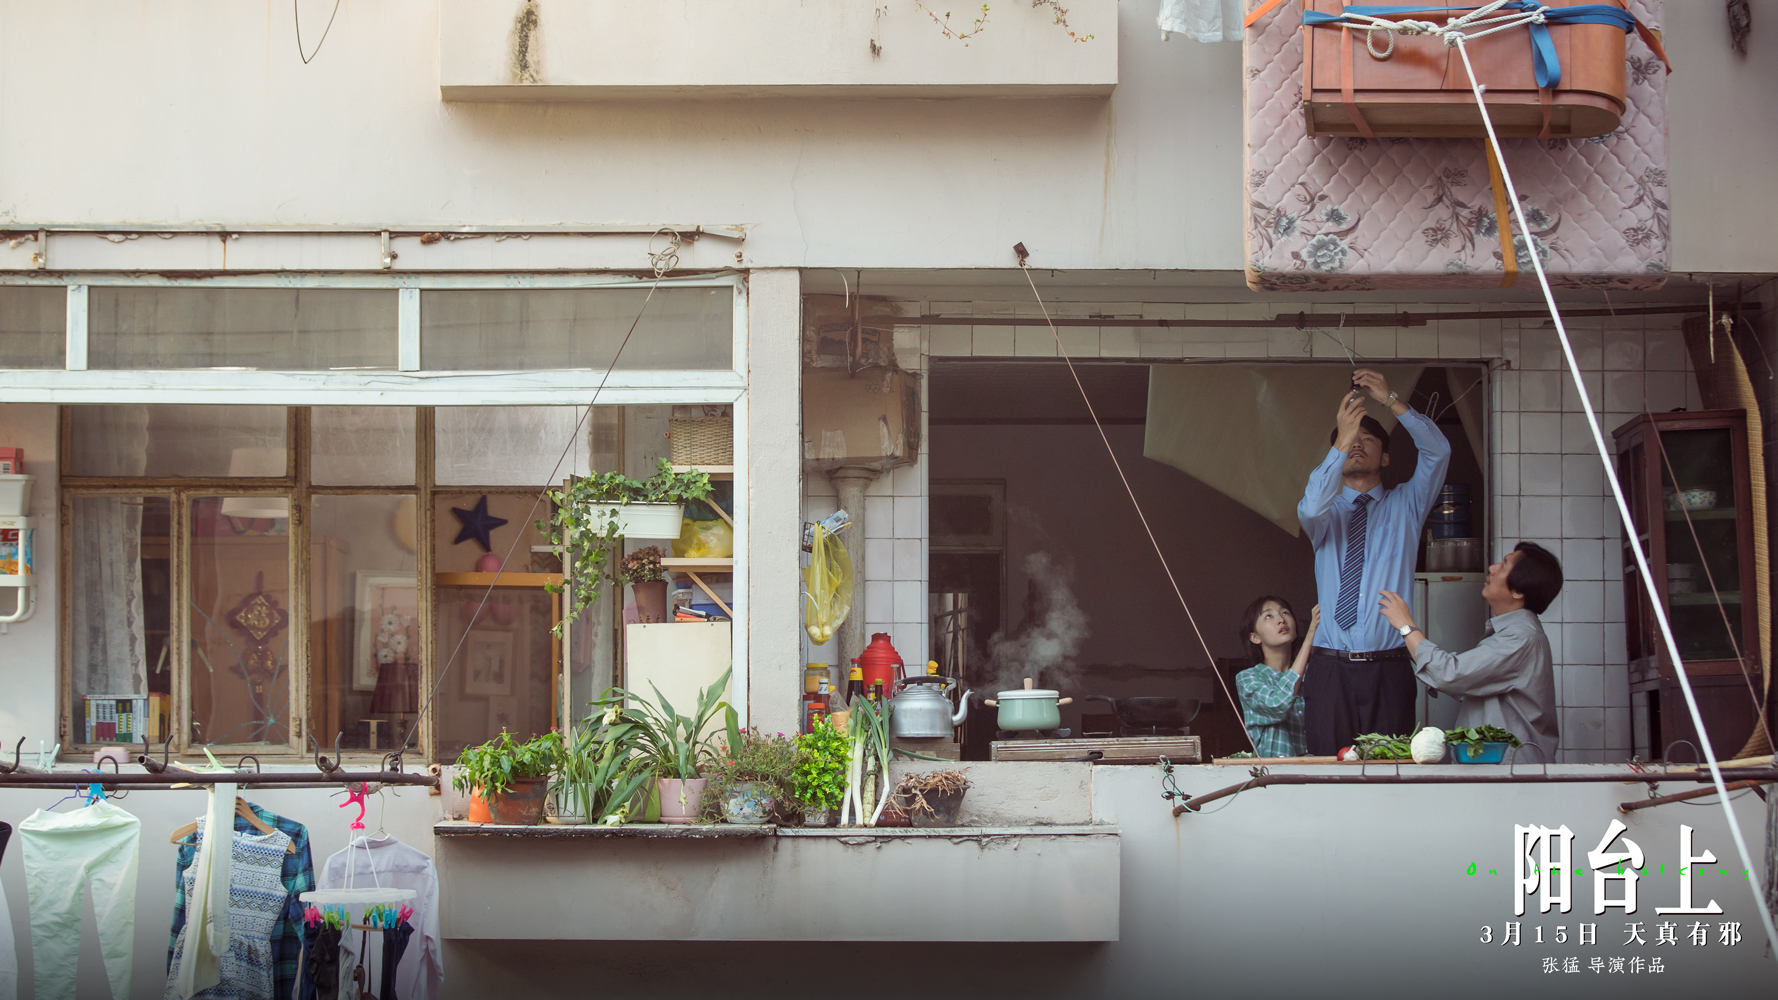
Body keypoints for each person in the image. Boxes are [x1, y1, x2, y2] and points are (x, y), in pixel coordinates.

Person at [1298, 369, 1452, 756]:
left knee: (1391, 775)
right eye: (1350, 440)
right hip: (1330, 669)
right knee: (1327, 774)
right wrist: (1340, 439)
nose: (1356, 445)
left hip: (1390, 668)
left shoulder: (1407, 504)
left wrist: (1391, 401)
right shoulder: (1323, 514)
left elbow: (1438, 452)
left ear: (1385, 456)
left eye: (1368, 439)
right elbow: (1312, 502)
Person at [1377, 542, 1563, 758]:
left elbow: (1451, 674)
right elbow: (1462, 679)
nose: (1492, 568)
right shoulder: (1514, 633)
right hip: (1500, 769)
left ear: (1519, 591)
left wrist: (1406, 626)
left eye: (1503, 566)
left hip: (1511, 773)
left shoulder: (1520, 638)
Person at [1235, 597, 1319, 758]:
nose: (1281, 620)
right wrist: (1309, 639)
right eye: (1269, 616)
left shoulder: (1313, 673)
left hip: (1317, 772)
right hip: (1274, 777)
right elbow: (1278, 704)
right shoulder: (1247, 678)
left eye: (1285, 613)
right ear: (1255, 637)